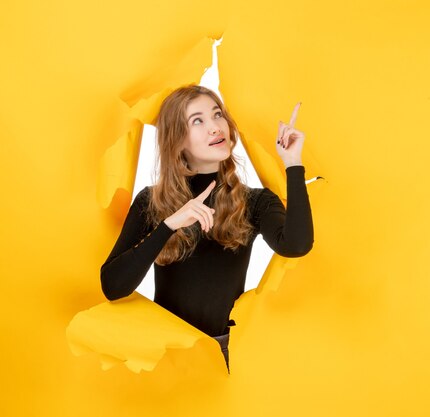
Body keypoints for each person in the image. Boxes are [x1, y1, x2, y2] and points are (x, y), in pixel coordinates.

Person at [100, 84, 314, 372]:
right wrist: (169, 225)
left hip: (226, 353)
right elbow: (112, 287)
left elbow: (297, 245)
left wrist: (292, 164)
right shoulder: (151, 202)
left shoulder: (254, 202)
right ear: (177, 141)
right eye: (197, 120)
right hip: (168, 353)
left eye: (217, 115)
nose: (215, 127)